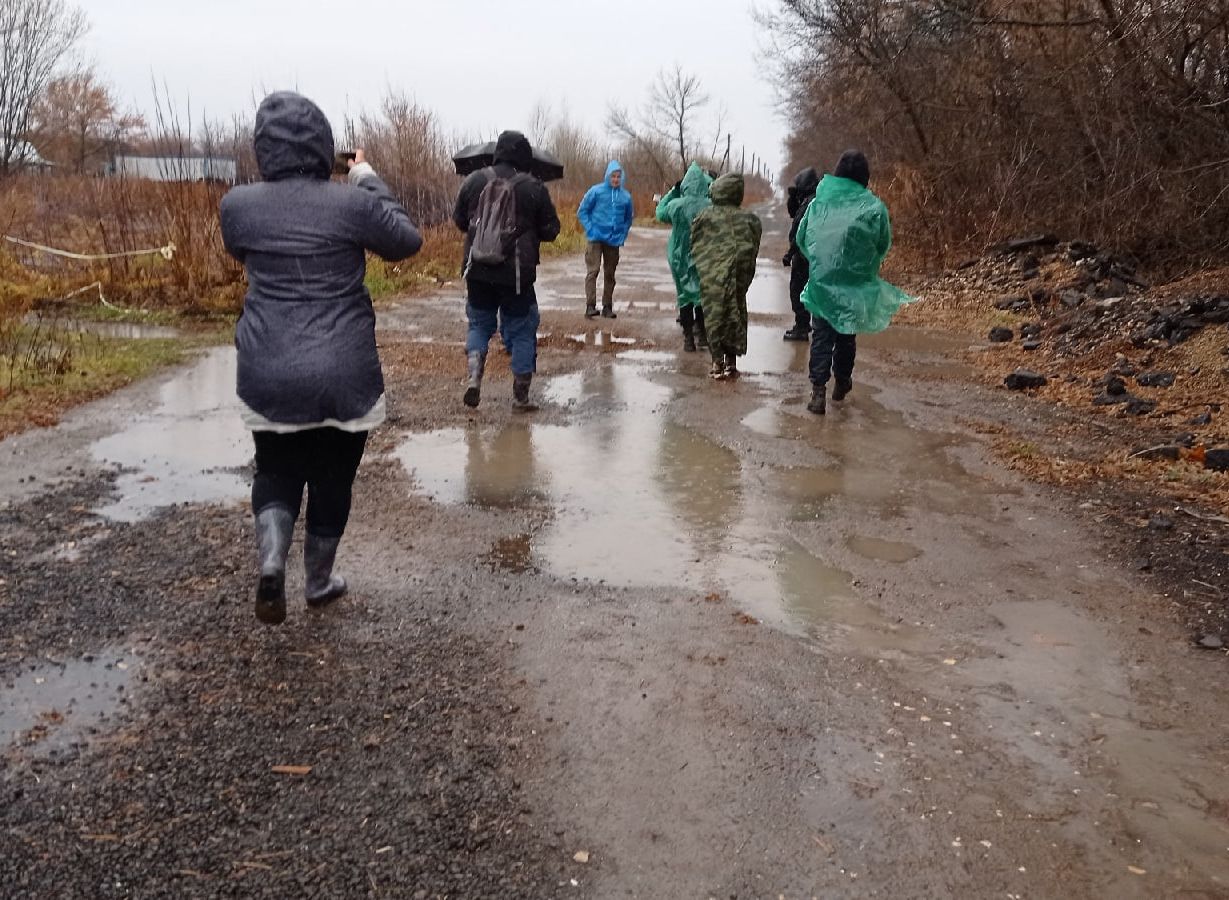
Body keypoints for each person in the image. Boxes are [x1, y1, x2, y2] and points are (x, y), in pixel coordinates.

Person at [220, 91, 422, 626]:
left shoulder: (237, 206)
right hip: (344, 373)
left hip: (268, 371)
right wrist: (365, 177)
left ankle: (270, 561)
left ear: (263, 147)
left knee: (276, 467)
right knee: (334, 476)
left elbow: (242, 250)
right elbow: (405, 240)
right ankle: (317, 580)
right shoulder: (353, 203)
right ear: (324, 145)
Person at [795, 150, 913, 415]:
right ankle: (842, 382)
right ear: (864, 177)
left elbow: (803, 239)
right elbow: (882, 243)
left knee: (822, 337)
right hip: (854, 284)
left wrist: (820, 262)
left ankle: (818, 391)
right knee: (846, 334)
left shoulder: (818, 204)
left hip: (823, 283)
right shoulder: (873, 207)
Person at [453, 130, 561, 411]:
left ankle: (475, 379)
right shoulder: (534, 187)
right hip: (516, 275)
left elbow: (460, 221)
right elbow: (551, 231)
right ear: (524, 155)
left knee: (479, 324)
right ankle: (521, 396)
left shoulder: (475, 179)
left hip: (477, 269)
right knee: (522, 330)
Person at [691, 172, 762, 380]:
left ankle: (717, 361)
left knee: (714, 316)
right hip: (739, 275)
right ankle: (732, 360)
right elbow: (754, 246)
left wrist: (705, 268)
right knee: (736, 311)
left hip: (712, 277)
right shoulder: (750, 219)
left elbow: (695, 244)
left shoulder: (704, 217)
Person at [655, 162, 713, 352]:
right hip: (703, 254)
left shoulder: (676, 205)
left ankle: (688, 338)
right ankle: (703, 335)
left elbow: (660, 212)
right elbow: (715, 191)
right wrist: (708, 181)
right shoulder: (711, 206)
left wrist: (674, 190)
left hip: (679, 256)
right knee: (702, 294)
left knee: (684, 296)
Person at [577, 160, 633, 318]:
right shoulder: (596, 191)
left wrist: (622, 234)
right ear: (607, 176)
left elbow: (628, 218)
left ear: (622, 178)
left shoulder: (626, 197)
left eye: (618, 177)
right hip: (595, 238)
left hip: (614, 240)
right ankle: (590, 305)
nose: (616, 179)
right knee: (593, 271)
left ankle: (607, 306)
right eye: (613, 176)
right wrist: (590, 228)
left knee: (610, 274)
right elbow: (582, 211)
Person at [781, 166, 820, 341]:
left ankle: (802, 327)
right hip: (813, 255)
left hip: (804, 255)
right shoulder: (813, 201)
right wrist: (793, 197)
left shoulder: (809, 204)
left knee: (798, 290)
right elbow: (793, 214)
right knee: (806, 290)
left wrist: (790, 253)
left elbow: (799, 230)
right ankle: (805, 325)